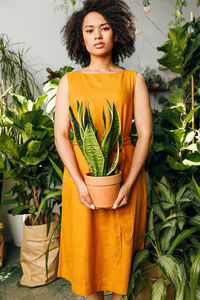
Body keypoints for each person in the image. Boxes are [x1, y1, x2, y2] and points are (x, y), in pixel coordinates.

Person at [54, 0, 153, 299]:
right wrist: (79, 182)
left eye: (104, 28)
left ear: (116, 34)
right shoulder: (69, 82)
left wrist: (129, 182)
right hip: (81, 181)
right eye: (89, 30)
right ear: (80, 39)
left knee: (121, 261)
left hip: (124, 177)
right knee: (89, 266)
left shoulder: (133, 80)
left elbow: (145, 134)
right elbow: (62, 135)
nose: (97, 35)